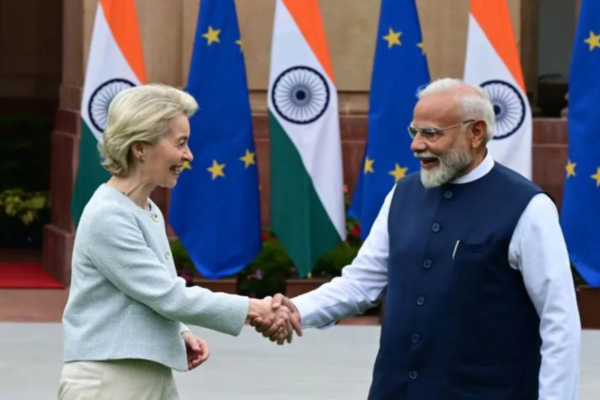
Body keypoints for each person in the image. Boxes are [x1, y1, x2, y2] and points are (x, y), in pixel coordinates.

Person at [252, 78, 581, 399]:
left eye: (431, 133)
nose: (416, 145)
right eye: (415, 132)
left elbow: (559, 321)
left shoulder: (528, 207)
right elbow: (360, 284)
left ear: (476, 132)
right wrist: (295, 309)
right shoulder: (402, 194)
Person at [58, 83, 301, 400]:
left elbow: (149, 293)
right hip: (108, 381)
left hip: (148, 374)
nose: (189, 155)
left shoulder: (146, 209)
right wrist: (255, 307)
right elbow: (167, 295)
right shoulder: (109, 215)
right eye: (181, 143)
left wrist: (178, 332)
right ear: (140, 147)